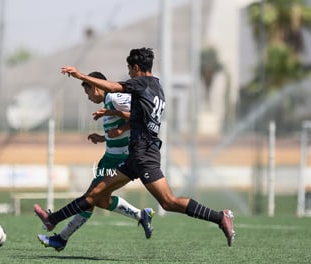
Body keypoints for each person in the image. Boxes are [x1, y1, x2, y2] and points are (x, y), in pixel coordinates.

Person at [35, 47, 235, 247]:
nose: (128, 74)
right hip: (137, 156)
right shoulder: (157, 86)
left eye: (129, 69)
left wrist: (80, 75)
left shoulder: (140, 83)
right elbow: (139, 117)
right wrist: (113, 124)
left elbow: (113, 88)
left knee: (169, 202)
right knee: (95, 194)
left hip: (143, 155)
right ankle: (52, 221)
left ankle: (220, 217)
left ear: (137, 68)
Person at [37, 71, 154, 252]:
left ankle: (60, 235)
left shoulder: (115, 97)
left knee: (90, 198)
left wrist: (120, 125)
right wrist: (103, 137)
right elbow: (118, 131)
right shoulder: (108, 101)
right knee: (100, 201)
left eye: (88, 93)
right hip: (108, 159)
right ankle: (141, 215)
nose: (89, 98)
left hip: (122, 160)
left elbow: (142, 115)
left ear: (97, 87)